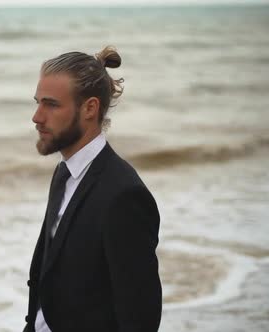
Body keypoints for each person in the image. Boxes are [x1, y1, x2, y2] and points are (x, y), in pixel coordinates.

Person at [23, 46, 162, 332]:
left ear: (90, 108)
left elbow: (140, 319)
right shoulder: (64, 173)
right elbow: (47, 278)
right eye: (37, 102)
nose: (37, 117)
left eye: (51, 104)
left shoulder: (124, 195)